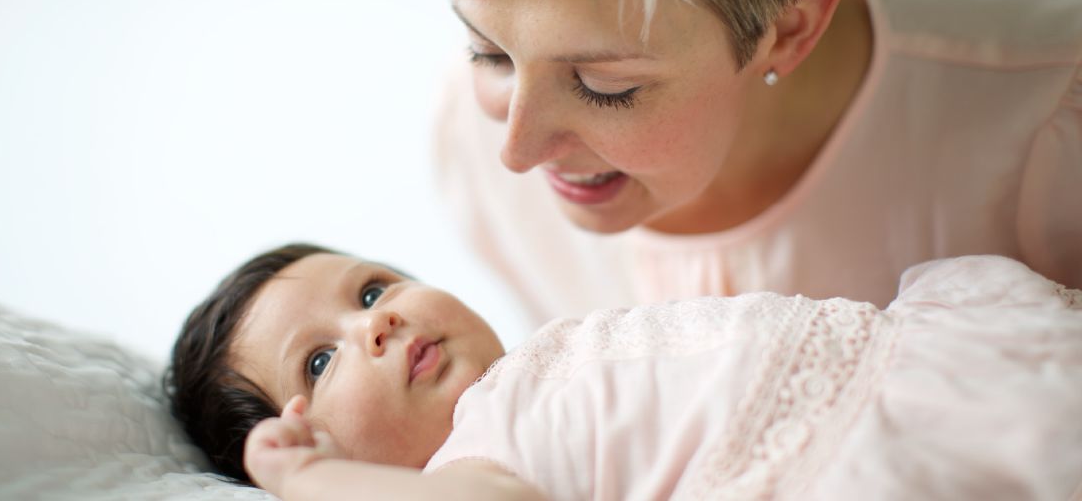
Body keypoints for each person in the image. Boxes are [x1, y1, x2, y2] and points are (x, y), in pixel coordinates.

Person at [435, 0, 1082, 325]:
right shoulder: (466, 134)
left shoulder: (1051, 118)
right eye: (490, 52)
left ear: (790, 31)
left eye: (605, 86)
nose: (516, 153)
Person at [165, 244, 1082, 500]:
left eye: (371, 288)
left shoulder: (539, 358)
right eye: (320, 359)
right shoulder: (475, 459)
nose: (379, 322)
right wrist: (307, 477)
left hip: (917, 362)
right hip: (858, 466)